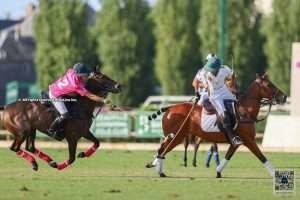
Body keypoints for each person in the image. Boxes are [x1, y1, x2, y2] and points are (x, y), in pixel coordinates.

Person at [47, 63, 105, 141]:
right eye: (85, 75)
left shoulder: (72, 71)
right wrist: (103, 100)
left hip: (59, 89)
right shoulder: (76, 85)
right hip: (55, 95)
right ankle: (51, 130)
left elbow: (86, 75)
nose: (87, 76)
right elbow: (91, 96)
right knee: (65, 115)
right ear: (79, 75)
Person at [198, 56, 242, 147]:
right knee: (224, 114)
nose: (211, 71)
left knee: (239, 104)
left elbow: (231, 79)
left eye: (213, 69)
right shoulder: (206, 74)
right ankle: (232, 138)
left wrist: (233, 77)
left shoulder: (225, 69)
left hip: (224, 91)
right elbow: (202, 82)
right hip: (215, 96)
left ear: (218, 67)